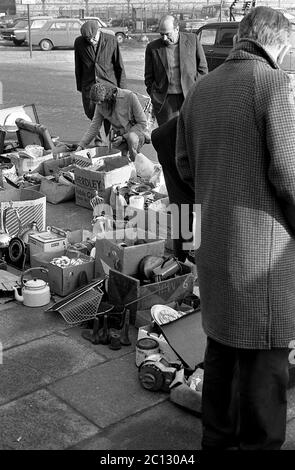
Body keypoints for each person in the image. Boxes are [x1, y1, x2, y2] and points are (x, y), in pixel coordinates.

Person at [176, 6, 295, 450]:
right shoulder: (273, 83)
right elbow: (288, 173)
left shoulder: (200, 89)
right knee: (265, 357)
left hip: (215, 241)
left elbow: (184, 167)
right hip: (263, 248)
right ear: (276, 42)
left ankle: (217, 437)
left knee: (222, 345)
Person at [144, 14, 208, 126]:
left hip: (189, 98)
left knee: (190, 133)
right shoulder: (152, 48)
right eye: (161, 34)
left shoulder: (192, 40)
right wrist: (155, 95)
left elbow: (202, 69)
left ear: (177, 29)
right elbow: (149, 77)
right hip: (165, 102)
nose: (164, 38)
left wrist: (195, 90)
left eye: (167, 34)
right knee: (169, 137)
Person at [74, 20, 127, 143]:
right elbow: (78, 66)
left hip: (109, 86)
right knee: (92, 115)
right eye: (88, 40)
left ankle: (112, 142)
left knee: (111, 116)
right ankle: (98, 141)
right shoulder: (79, 42)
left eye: (93, 38)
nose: (91, 42)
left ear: (98, 31)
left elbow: (119, 66)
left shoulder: (111, 40)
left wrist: (123, 89)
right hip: (89, 87)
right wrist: (81, 87)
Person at [151, 117, 194, 262]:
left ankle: (182, 261)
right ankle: (185, 262)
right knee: (185, 207)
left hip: (169, 137)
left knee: (183, 208)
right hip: (172, 142)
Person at [76, 82, 150, 161]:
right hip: (117, 137)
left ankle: (136, 165)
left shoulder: (130, 97)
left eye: (101, 102)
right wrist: (81, 145)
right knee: (115, 160)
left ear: (108, 95)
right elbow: (94, 127)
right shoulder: (99, 105)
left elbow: (142, 123)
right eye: (97, 103)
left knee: (131, 139)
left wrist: (123, 137)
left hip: (135, 134)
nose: (100, 105)